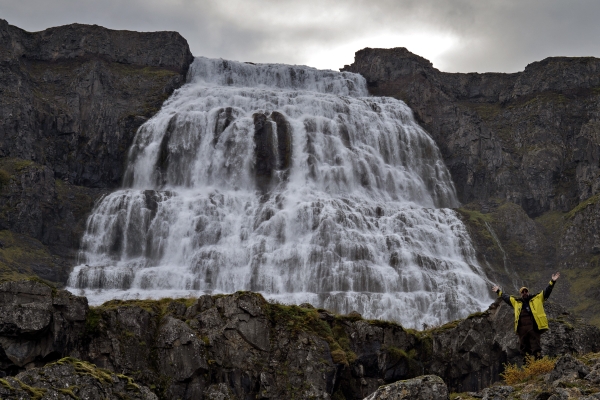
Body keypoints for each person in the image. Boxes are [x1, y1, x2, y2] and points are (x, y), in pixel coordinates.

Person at [491, 272, 560, 360]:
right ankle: (527, 366)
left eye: (525, 291)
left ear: (528, 292)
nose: (524, 293)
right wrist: (498, 291)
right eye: (522, 292)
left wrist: (552, 282)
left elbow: (547, 291)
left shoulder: (537, 298)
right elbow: (506, 297)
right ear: (520, 294)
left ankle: (539, 363)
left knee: (536, 345)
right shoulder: (516, 302)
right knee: (523, 347)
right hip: (521, 329)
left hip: (533, 326)